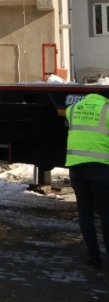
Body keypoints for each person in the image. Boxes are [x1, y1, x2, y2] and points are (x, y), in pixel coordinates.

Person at [66, 93, 109, 270]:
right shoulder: (107, 109)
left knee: (85, 213)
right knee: (106, 214)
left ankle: (93, 257)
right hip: (100, 168)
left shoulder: (73, 109)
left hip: (76, 168)